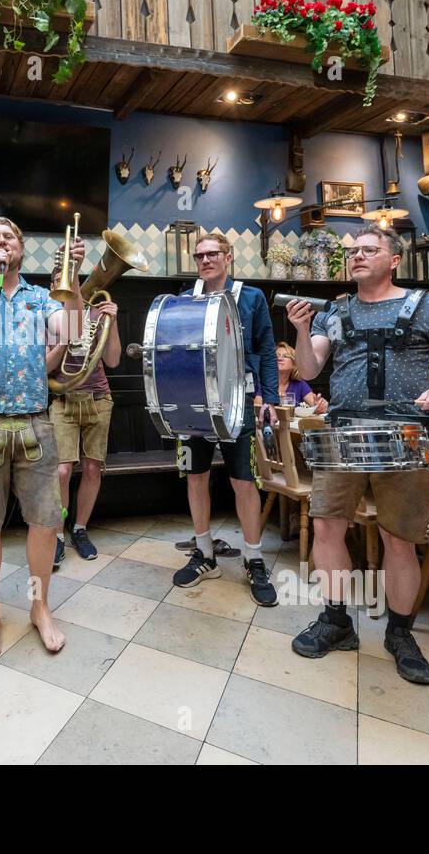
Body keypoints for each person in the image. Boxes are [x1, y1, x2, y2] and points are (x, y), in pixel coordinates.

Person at [286, 225, 429, 684]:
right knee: (327, 527)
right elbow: (311, 367)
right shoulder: (333, 312)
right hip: (342, 429)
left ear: (394, 259)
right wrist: (301, 329)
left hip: (407, 433)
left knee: (401, 539)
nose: (356, 256)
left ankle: (400, 633)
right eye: (352, 251)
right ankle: (336, 622)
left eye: (368, 250)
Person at [0, 216, 84, 656]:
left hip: (34, 420)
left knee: (46, 521)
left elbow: (74, 334)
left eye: (10, 237)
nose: (3, 242)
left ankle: (39, 606)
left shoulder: (41, 297)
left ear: (22, 247)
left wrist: (75, 280)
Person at [170, 230, 281, 606]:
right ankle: (204, 554)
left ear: (228, 257)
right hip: (192, 404)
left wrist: (271, 398)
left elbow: (266, 350)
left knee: (244, 482)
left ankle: (253, 559)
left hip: (239, 403)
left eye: (212, 254)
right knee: (195, 477)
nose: (205, 261)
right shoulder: (184, 301)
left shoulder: (250, 298)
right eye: (199, 256)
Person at [49, 293, 122, 565]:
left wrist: (111, 321)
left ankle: (79, 529)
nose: (68, 286)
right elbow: (44, 367)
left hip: (98, 399)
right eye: (61, 281)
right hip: (63, 400)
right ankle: (57, 534)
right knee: (62, 470)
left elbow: (113, 360)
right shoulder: (48, 314)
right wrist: (65, 340)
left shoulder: (97, 312)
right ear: (53, 286)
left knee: (92, 468)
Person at [275, 342, 328, 413]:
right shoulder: (264, 381)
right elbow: (258, 403)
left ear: (294, 364)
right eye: (276, 356)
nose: (280, 359)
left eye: (285, 356)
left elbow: (314, 404)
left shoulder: (299, 384)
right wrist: (274, 399)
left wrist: (319, 406)